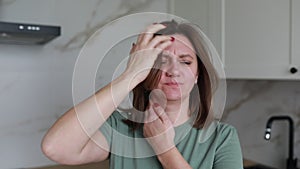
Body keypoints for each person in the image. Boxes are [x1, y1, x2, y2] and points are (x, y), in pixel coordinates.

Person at [41, 20, 243, 169]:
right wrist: (129, 76)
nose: (173, 71)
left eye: (186, 61)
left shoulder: (222, 138)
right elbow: (55, 148)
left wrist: (165, 149)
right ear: (145, 71)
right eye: (161, 61)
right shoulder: (118, 129)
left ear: (198, 74)